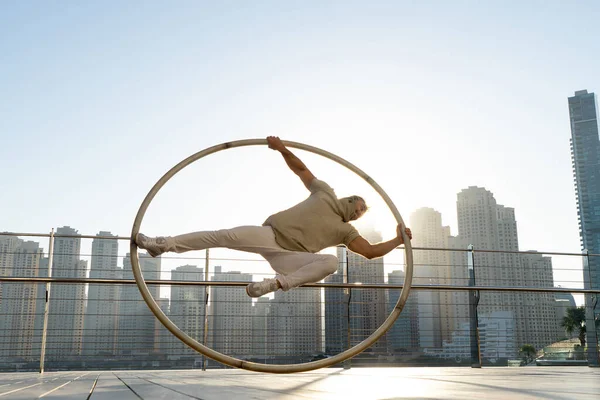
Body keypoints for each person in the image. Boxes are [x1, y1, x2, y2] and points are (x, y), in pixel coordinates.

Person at [136, 136, 412, 297]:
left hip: (290, 257)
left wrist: (398, 240)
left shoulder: (346, 231)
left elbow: (372, 252)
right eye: (358, 203)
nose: (358, 209)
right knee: (221, 235)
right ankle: (163, 245)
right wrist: (282, 149)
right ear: (348, 198)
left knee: (330, 261)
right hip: (270, 234)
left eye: (362, 211)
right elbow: (302, 170)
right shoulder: (325, 192)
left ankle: (276, 284)